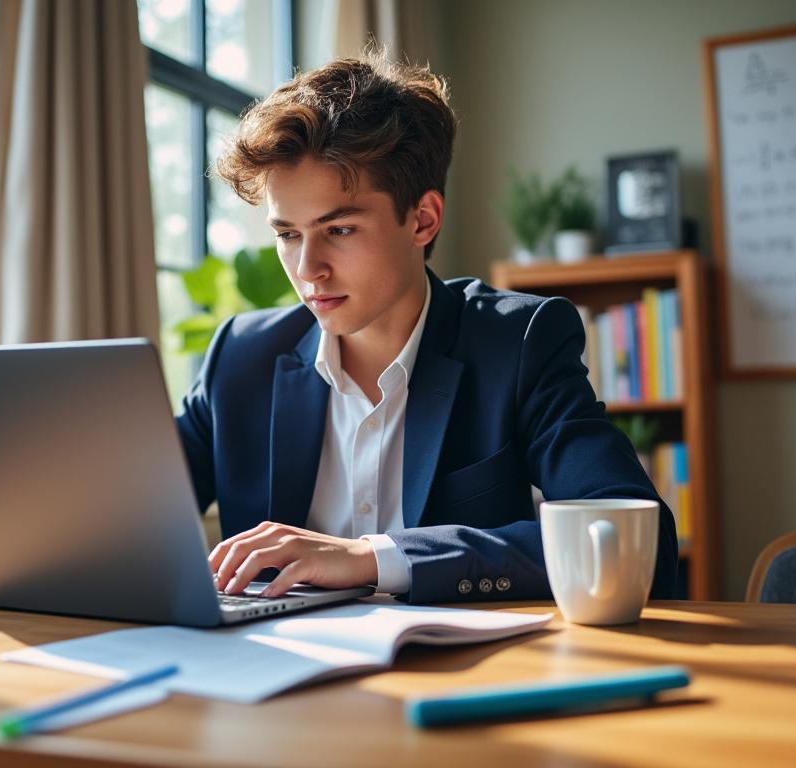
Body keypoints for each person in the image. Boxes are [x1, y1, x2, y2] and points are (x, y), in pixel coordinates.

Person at [175, 54, 678, 604]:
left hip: (456, 678)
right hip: (273, 677)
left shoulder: (518, 344)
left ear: (423, 219)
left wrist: (372, 557)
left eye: (338, 229)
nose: (307, 268)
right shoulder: (241, 357)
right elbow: (120, 522)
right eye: (288, 235)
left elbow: (633, 538)